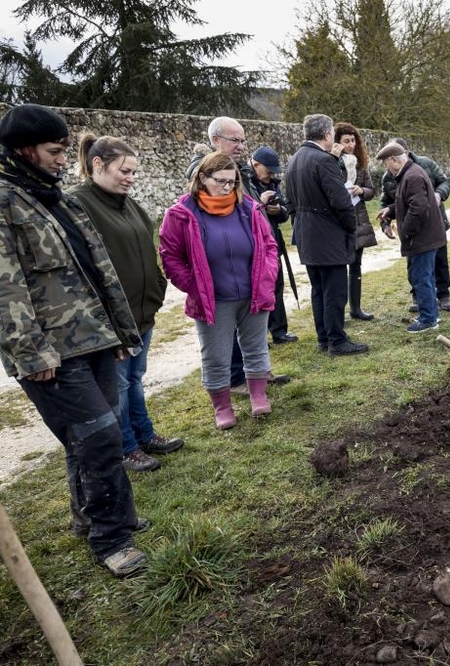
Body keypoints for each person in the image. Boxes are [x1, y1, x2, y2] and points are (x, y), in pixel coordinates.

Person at [0, 104, 147, 577]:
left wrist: (120, 332)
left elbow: (96, 269)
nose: (63, 160)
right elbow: (6, 286)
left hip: (93, 338)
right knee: (99, 436)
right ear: (24, 150)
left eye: (64, 151)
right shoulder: (4, 201)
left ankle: (96, 517)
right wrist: (28, 350)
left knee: (88, 439)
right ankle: (112, 539)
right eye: (53, 151)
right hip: (50, 350)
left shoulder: (52, 197)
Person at [70, 134, 184, 473]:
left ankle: (145, 435)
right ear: (97, 165)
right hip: (112, 320)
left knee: (135, 379)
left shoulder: (128, 202)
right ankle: (126, 447)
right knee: (117, 385)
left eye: (134, 171)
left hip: (140, 314)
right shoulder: (79, 204)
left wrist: (157, 287)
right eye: (124, 171)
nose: (131, 178)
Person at [159, 151, 279, 428]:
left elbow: (269, 244)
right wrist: (195, 286)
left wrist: (267, 275)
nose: (228, 188)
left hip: (253, 292)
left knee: (256, 347)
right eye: (221, 181)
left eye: (233, 182)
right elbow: (170, 257)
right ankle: (222, 407)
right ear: (202, 178)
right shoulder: (181, 215)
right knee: (216, 355)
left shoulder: (248, 208)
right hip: (213, 299)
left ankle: (258, 395)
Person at [187, 117, 290, 393]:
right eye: (235, 140)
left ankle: (255, 373)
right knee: (228, 325)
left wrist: (264, 208)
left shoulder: (241, 170)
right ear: (216, 140)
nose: (241, 146)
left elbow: (247, 207)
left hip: (251, 257)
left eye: (243, 140)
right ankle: (236, 380)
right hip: (224, 262)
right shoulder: (203, 173)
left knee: (250, 324)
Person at [284, 114, 369, 356]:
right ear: (327, 135)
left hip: (306, 233)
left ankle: (324, 339)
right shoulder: (323, 160)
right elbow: (341, 201)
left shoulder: (294, 160)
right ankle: (337, 341)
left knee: (319, 289)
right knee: (334, 290)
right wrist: (349, 226)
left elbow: (289, 201)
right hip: (327, 233)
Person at [374, 142, 448, 333]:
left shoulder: (412, 176)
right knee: (425, 277)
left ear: (394, 160)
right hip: (426, 237)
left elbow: (418, 209)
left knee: (421, 278)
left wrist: (405, 231)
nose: (386, 168)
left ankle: (428, 319)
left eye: (385, 163)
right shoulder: (409, 173)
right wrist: (390, 209)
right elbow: (409, 201)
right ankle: (430, 313)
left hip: (422, 238)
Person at [247, 146, 298, 345]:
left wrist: (278, 211)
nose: (269, 176)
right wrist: (260, 204)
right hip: (252, 243)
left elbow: (285, 210)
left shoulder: (273, 184)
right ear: (255, 164)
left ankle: (279, 331)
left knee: (276, 285)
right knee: (255, 290)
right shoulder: (244, 181)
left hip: (272, 239)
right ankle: (257, 337)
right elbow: (245, 211)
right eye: (267, 171)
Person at [334, 122, 378, 321]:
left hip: (358, 219)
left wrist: (362, 191)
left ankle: (356, 308)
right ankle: (339, 311)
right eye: (346, 141)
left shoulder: (361, 165)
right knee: (339, 267)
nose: (351, 145)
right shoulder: (332, 163)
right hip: (339, 221)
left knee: (356, 264)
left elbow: (371, 190)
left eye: (353, 140)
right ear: (338, 143)